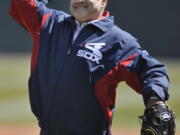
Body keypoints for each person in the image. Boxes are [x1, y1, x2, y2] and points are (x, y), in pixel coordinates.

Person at [9, 0, 175, 135]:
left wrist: (155, 100)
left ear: (103, 1)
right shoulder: (50, 23)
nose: (79, 1)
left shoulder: (118, 41)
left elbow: (151, 70)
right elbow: (22, 3)